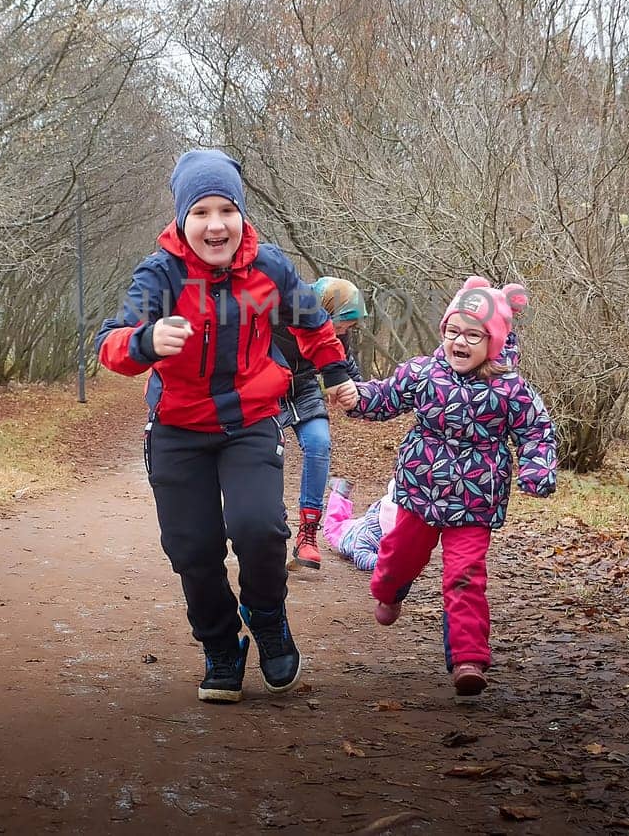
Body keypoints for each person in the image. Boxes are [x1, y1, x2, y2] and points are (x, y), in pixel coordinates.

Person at [94, 149, 359, 704]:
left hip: (249, 422)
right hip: (177, 431)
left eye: (226, 210)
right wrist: (145, 342)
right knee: (192, 548)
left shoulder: (269, 267)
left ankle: (267, 619)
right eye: (201, 213)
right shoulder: (160, 275)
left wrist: (337, 373)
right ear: (182, 219)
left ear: (241, 212)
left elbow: (310, 322)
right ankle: (220, 646)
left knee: (259, 527)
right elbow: (111, 345)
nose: (216, 225)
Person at [346, 276, 558, 696]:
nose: (459, 342)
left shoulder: (510, 389)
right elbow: (386, 397)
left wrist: (537, 468)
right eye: (452, 332)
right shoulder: (423, 373)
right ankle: (389, 591)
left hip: (475, 502)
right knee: (398, 559)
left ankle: (468, 659)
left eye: (473, 335)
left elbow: (536, 431)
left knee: (464, 576)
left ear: (494, 341)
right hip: (419, 494)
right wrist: (356, 397)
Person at [272, 276, 366, 571]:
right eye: (342, 323)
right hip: (266, 387)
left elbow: (344, 364)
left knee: (318, 443)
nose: (343, 331)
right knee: (268, 451)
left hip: (304, 388)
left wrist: (363, 395)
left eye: (348, 328)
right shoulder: (277, 312)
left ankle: (308, 534)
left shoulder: (338, 333)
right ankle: (270, 531)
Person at [321, 476, 400, 572]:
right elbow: (361, 557)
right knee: (332, 527)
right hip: (348, 534)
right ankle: (339, 493)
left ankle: (341, 493)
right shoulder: (368, 537)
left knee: (342, 521)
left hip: (365, 522)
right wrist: (386, 562)